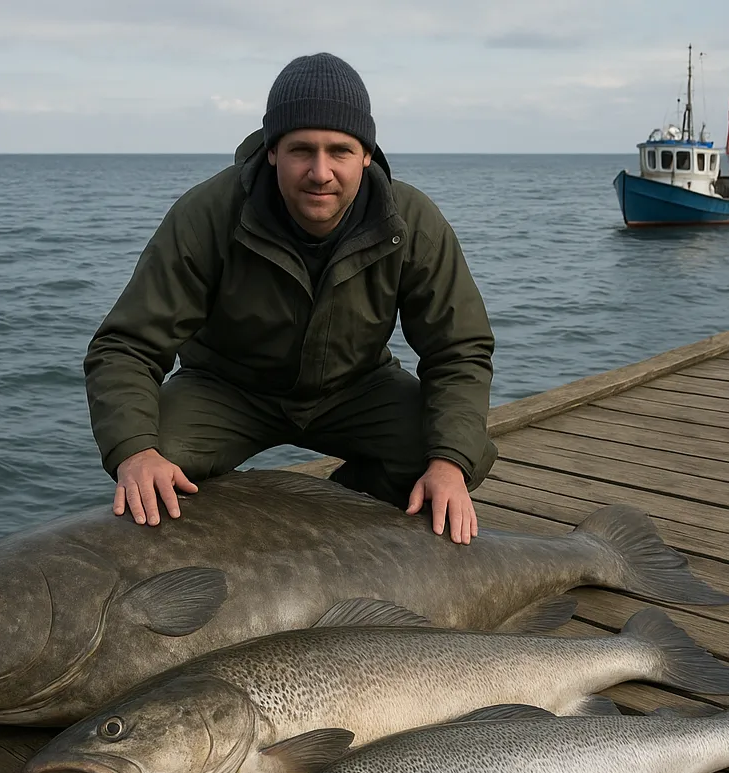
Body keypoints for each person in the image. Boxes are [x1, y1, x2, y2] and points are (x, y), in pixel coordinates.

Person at [84, 52, 497, 545]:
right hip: (229, 388)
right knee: (153, 461)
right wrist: (135, 452)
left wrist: (448, 463)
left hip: (355, 388)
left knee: (457, 453)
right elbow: (126, 345)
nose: (321, 172)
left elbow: (458, 349)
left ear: (367, 154)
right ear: (272, 151)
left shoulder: (411, 221)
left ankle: (341, 507)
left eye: (340, 151)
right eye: (302, 150)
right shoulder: (208, 213)